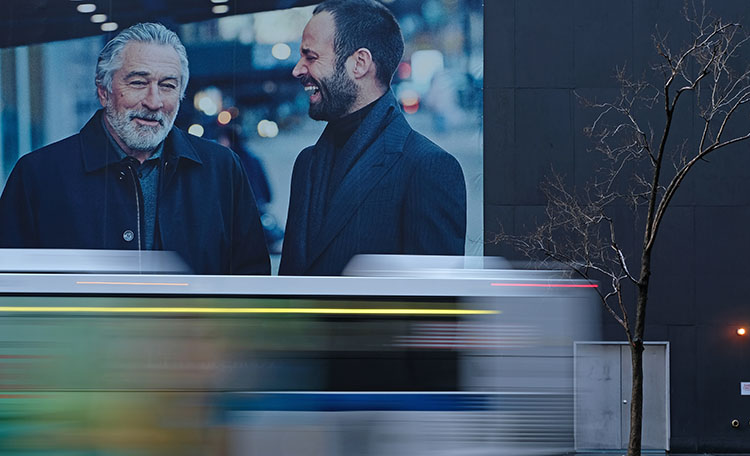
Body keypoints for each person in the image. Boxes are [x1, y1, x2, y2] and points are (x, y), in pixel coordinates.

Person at [0, 23, 270, 275]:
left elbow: (252, 283)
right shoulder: (38, 176)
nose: (154, 102)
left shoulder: (221, 170)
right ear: (104, 91)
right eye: (138, 83)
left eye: (167, 86)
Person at [279, 0, 466, 276]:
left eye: (311, 57)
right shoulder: (306, 163)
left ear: (360, 63)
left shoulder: (428, 168)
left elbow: (434, 306)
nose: (297, 69)